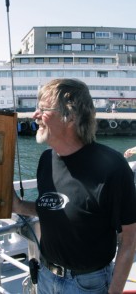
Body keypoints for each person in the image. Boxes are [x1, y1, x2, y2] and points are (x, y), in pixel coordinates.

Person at [13, 78, 136, 294]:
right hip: (45, 277)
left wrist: (114, 291)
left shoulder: (112, 167)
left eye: (43, 109)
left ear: (70, 115)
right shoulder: (45, 161)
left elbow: (129, 238)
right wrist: (17, 205)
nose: (34, 115)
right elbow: (54, 207)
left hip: (87, 285)